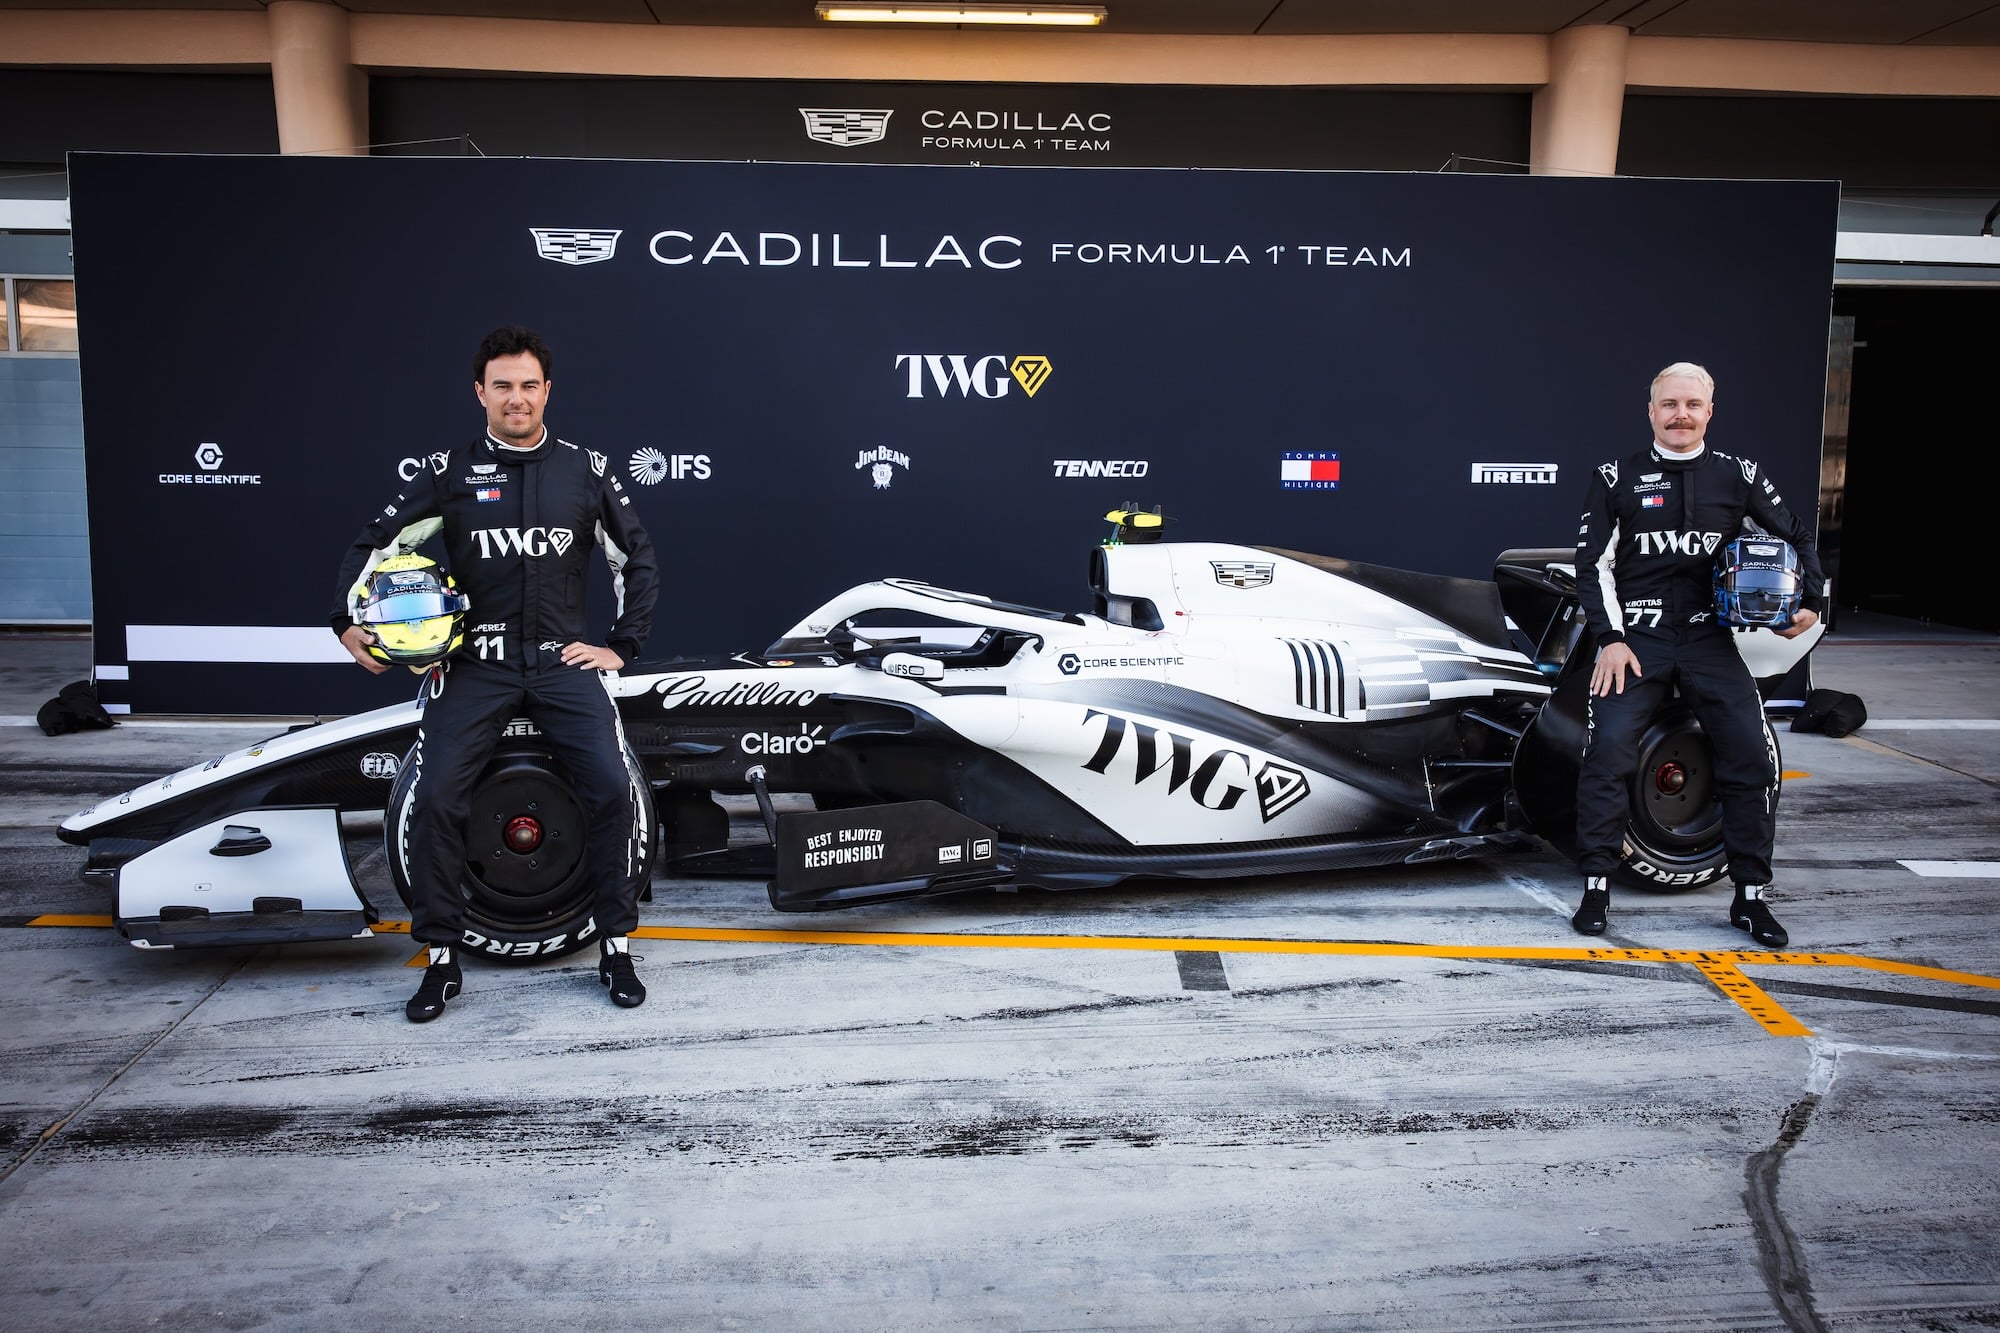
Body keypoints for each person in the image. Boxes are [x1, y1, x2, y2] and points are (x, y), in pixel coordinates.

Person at [333, 326, 661, 1022]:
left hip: (560, 661)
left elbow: (638, 561)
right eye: (503, 385)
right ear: (479, 392)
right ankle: (441, 962)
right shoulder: (447, 473)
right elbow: (375, 545)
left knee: (609, 787)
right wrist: (346, 620)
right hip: (472, 664)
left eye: (529, 385)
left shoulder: (586, 470)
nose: (517, 398)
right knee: (439, 800)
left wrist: (621, 646)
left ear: (548, 391)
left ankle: (616, 948)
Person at [1570, 361, 1823, 947]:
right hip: (1639, 641)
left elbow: (1795, 534)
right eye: (1669, 405)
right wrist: (1611, 639)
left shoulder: (1739, 475)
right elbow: (1592, 566)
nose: (1680, 414)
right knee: (1607, 753)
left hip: (1711, 641)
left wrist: (1807, 602)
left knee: (1752, 762)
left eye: (1692, 404)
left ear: (1710, 411)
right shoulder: (1615, 475)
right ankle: (1596, 887)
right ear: (1651, 412)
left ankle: (1750, 897)